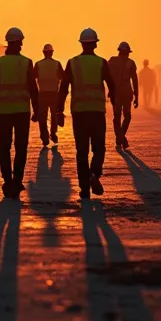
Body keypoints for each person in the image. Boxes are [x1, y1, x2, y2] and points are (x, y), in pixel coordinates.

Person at [58, 28, 115, 200]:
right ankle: (94, 174)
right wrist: (114, 98)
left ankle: (84, 189)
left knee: (81, 151)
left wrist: (59, 110)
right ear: (95, 44)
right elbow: (111, 84)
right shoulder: (101, 63)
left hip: (79, 113)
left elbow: (63, 89)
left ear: (82, 44)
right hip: (97, 112)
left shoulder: (72, 62)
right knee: (99, 148)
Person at [0, 26, 39, 199]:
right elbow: (33, 89)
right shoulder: (26, 62)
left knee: (5, 147)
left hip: (4, 111)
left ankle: (8, 180)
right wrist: (37, 110)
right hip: (22, 111)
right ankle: (17, 180)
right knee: (20, 147)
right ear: (21, 43)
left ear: (8, 43)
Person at [107, 40, 139, 150]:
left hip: (115, 93)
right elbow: (135, 80)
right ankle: (121, 137)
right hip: (126, 92)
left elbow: (106, 77)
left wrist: (108, 92)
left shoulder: (111, 61)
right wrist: (137, 96)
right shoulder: (131, 63)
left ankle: (120, 137)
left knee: (117, 117)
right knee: (127, 116)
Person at [34, 44, 64, 147]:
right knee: (54, 116)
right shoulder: (57, 64)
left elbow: (32, 78)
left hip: (42, 94)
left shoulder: (38, 64)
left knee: (42, 117)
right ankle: (53, 133)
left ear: (43, 52)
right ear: (52, 53)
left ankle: (44, 137)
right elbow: (63, 77)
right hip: (54, 93)